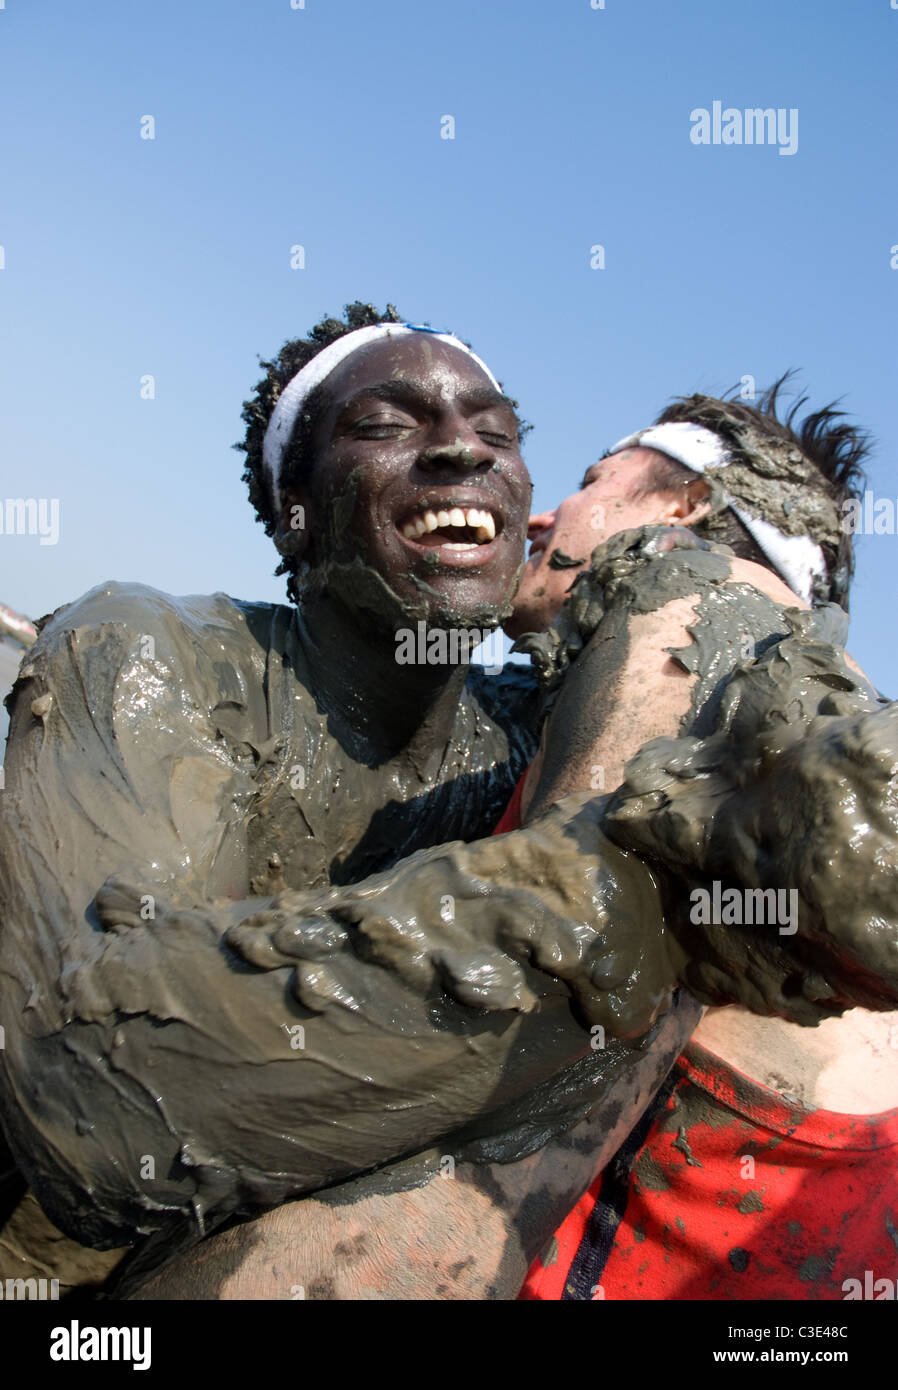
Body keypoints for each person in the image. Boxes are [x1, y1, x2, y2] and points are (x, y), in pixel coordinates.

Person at [1, 313, 895, 1301]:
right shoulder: (149, 649)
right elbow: (82, 1091)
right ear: (293, 504)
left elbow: (700, 635)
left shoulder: (531, 734)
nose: (467, 450)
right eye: (386, 422)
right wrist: (651, 887)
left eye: (501, 433)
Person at [501, 383, 898, 1299]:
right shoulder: (808, 691)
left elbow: (531, 1024)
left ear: (684, 509)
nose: (548, 514)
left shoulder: (695, 608)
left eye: (594, 481)